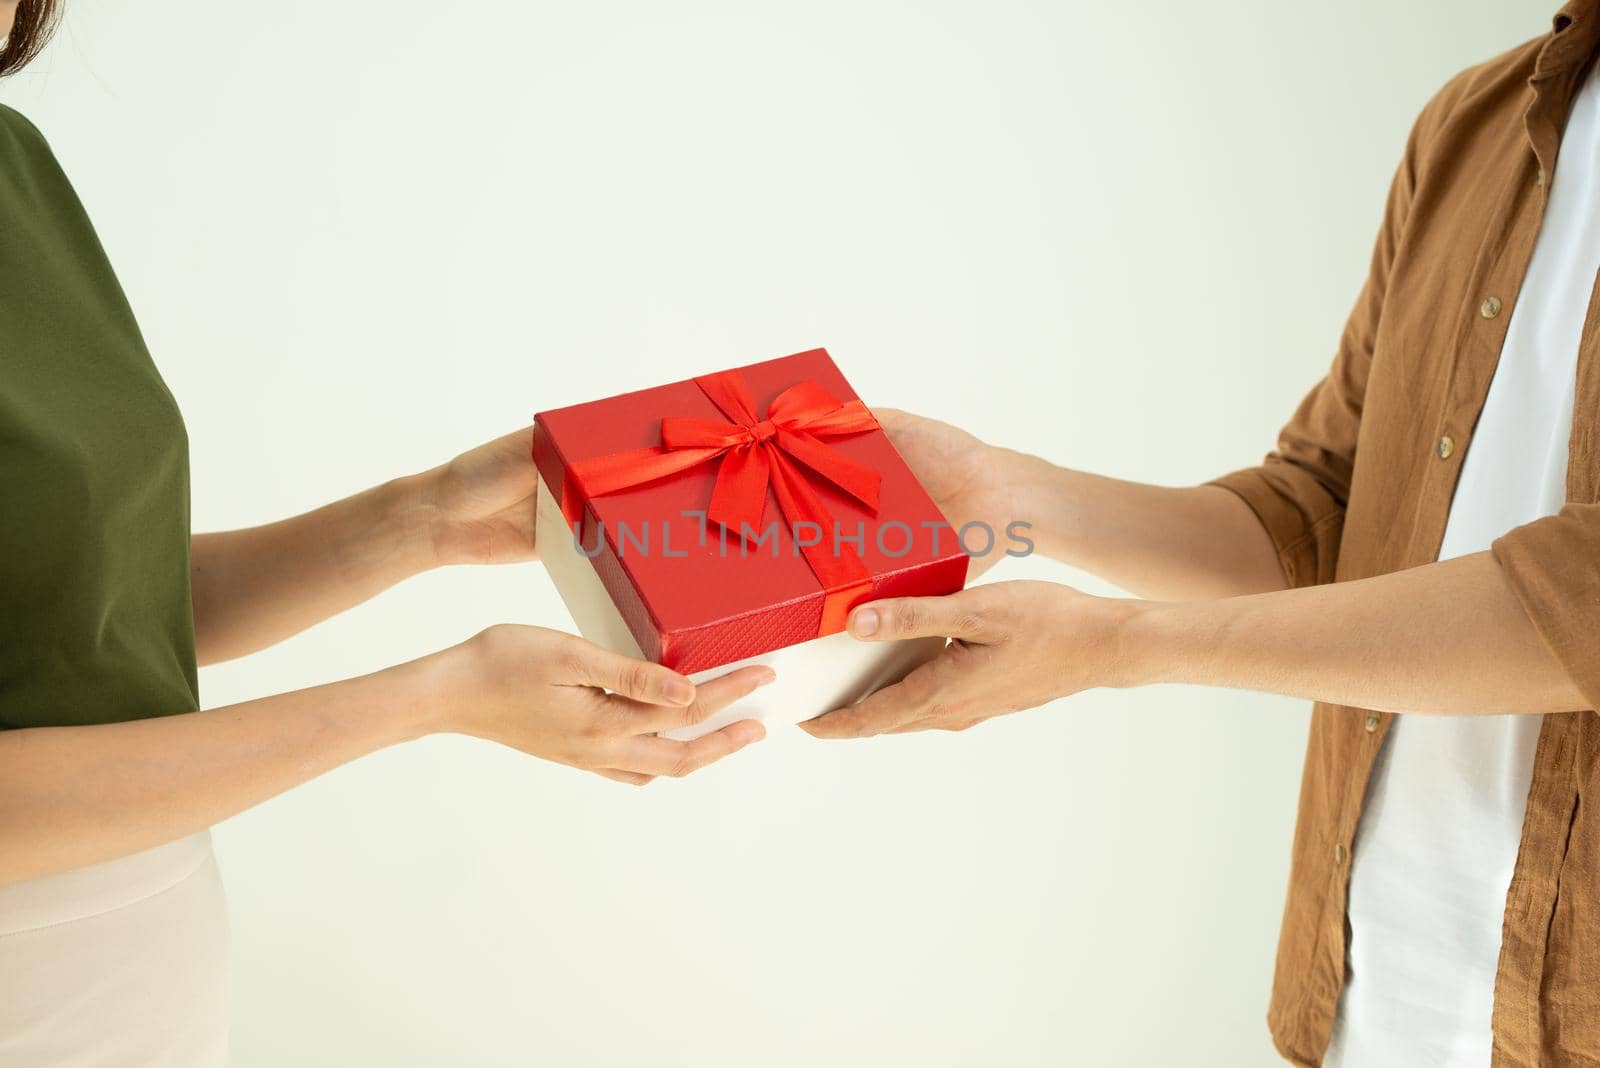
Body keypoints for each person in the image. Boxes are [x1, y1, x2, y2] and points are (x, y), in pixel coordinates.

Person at [806, 5, 1600, 1066]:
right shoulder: (1476, 123)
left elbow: (1580, 597)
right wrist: (1009, 493)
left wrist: (1121, 646)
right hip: (1376, 1007)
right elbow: (1319, 516)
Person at [0, 2, 771, 1063]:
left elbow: (80, 609)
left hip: (145, 942)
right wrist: (431, 699)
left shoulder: (14, 162)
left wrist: (420, 521)